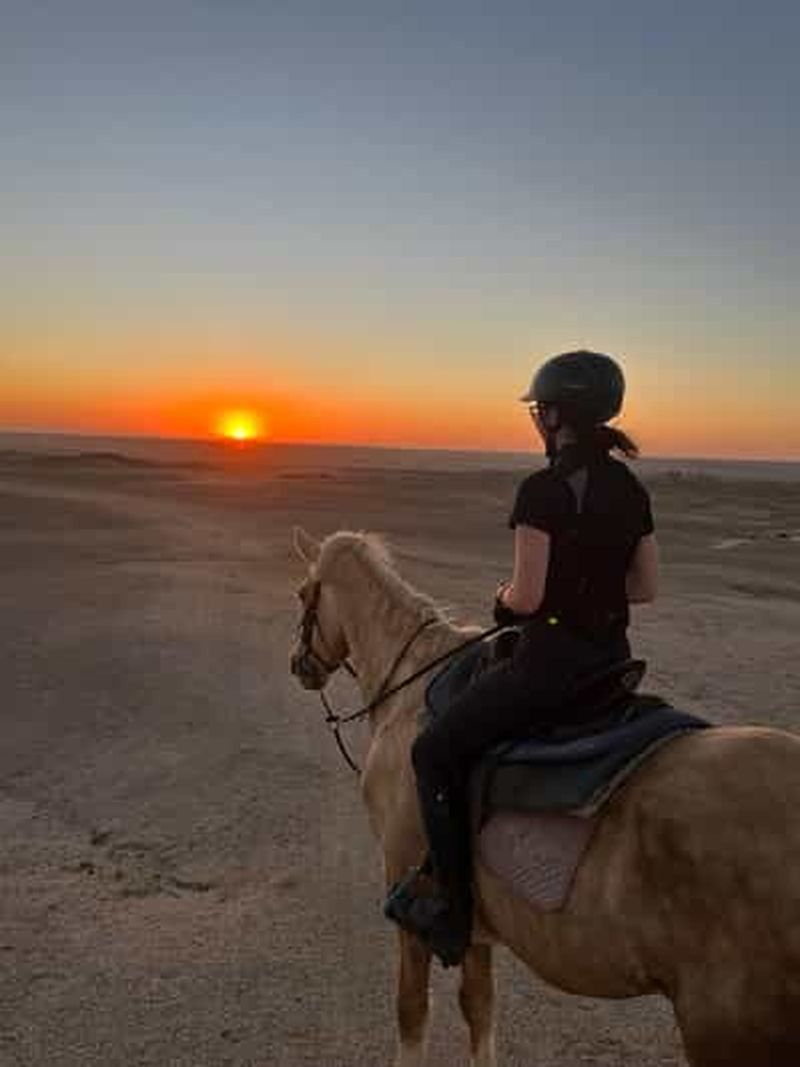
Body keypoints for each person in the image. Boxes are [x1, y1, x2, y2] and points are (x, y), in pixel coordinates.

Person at [384, 349, 659, 966]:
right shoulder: (630, 488)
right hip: (610, 664)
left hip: (549, 669)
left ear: (557, 416)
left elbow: (527, 596)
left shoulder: (542, 489)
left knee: (432, 752)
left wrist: (504, 599)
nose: (537, 420)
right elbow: (644, 588)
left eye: (540, 410)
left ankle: (453, 914)